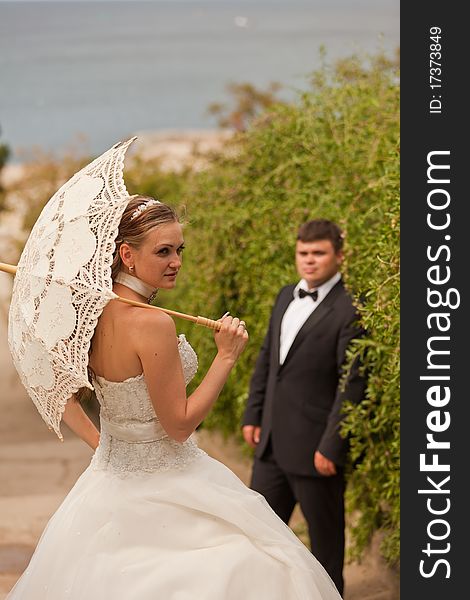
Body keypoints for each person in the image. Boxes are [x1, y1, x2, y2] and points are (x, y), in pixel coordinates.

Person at [7, 197, 342, 600]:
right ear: (126, 255)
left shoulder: (86, 317)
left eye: (179, 249)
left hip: (107, 483)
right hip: (170, 482)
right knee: (257, 568)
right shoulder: (152, 323)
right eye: (163, 251)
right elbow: (179, 426)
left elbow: (59, 393)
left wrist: (105, 445)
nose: (176, 261)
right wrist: (226, 357)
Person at [242, 219, 366, 596]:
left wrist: (333, 444)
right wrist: (253, 412)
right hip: (271, 446)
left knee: (326, 551)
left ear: (339, 256)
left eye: (318, 253)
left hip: (317, 451)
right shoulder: (285, 296)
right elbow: (268, 359)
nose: (309, 261)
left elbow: (353, 383)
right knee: (257, 540)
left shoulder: (351, 307)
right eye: (303, 253)